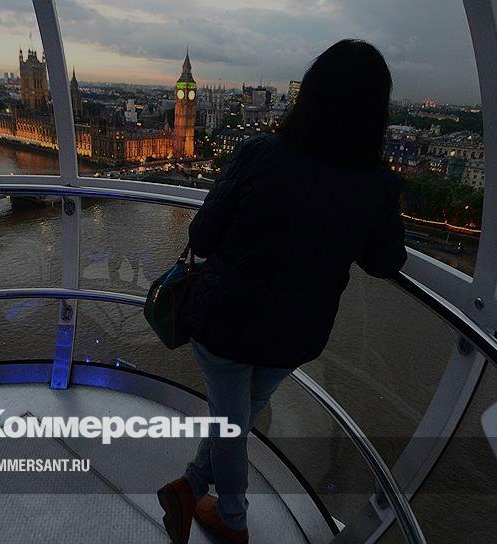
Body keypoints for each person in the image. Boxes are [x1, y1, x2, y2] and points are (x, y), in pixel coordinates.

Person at [157, 39, 407, 544]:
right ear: (375, 114)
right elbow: (385, 262)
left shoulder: (259, 153)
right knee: (237, 420)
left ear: (308, 96)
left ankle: (230, 519)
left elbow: (201, 235)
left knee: (231, 424)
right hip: (293, 334)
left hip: (224, 323)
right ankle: (194, 491)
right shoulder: (376, 183)